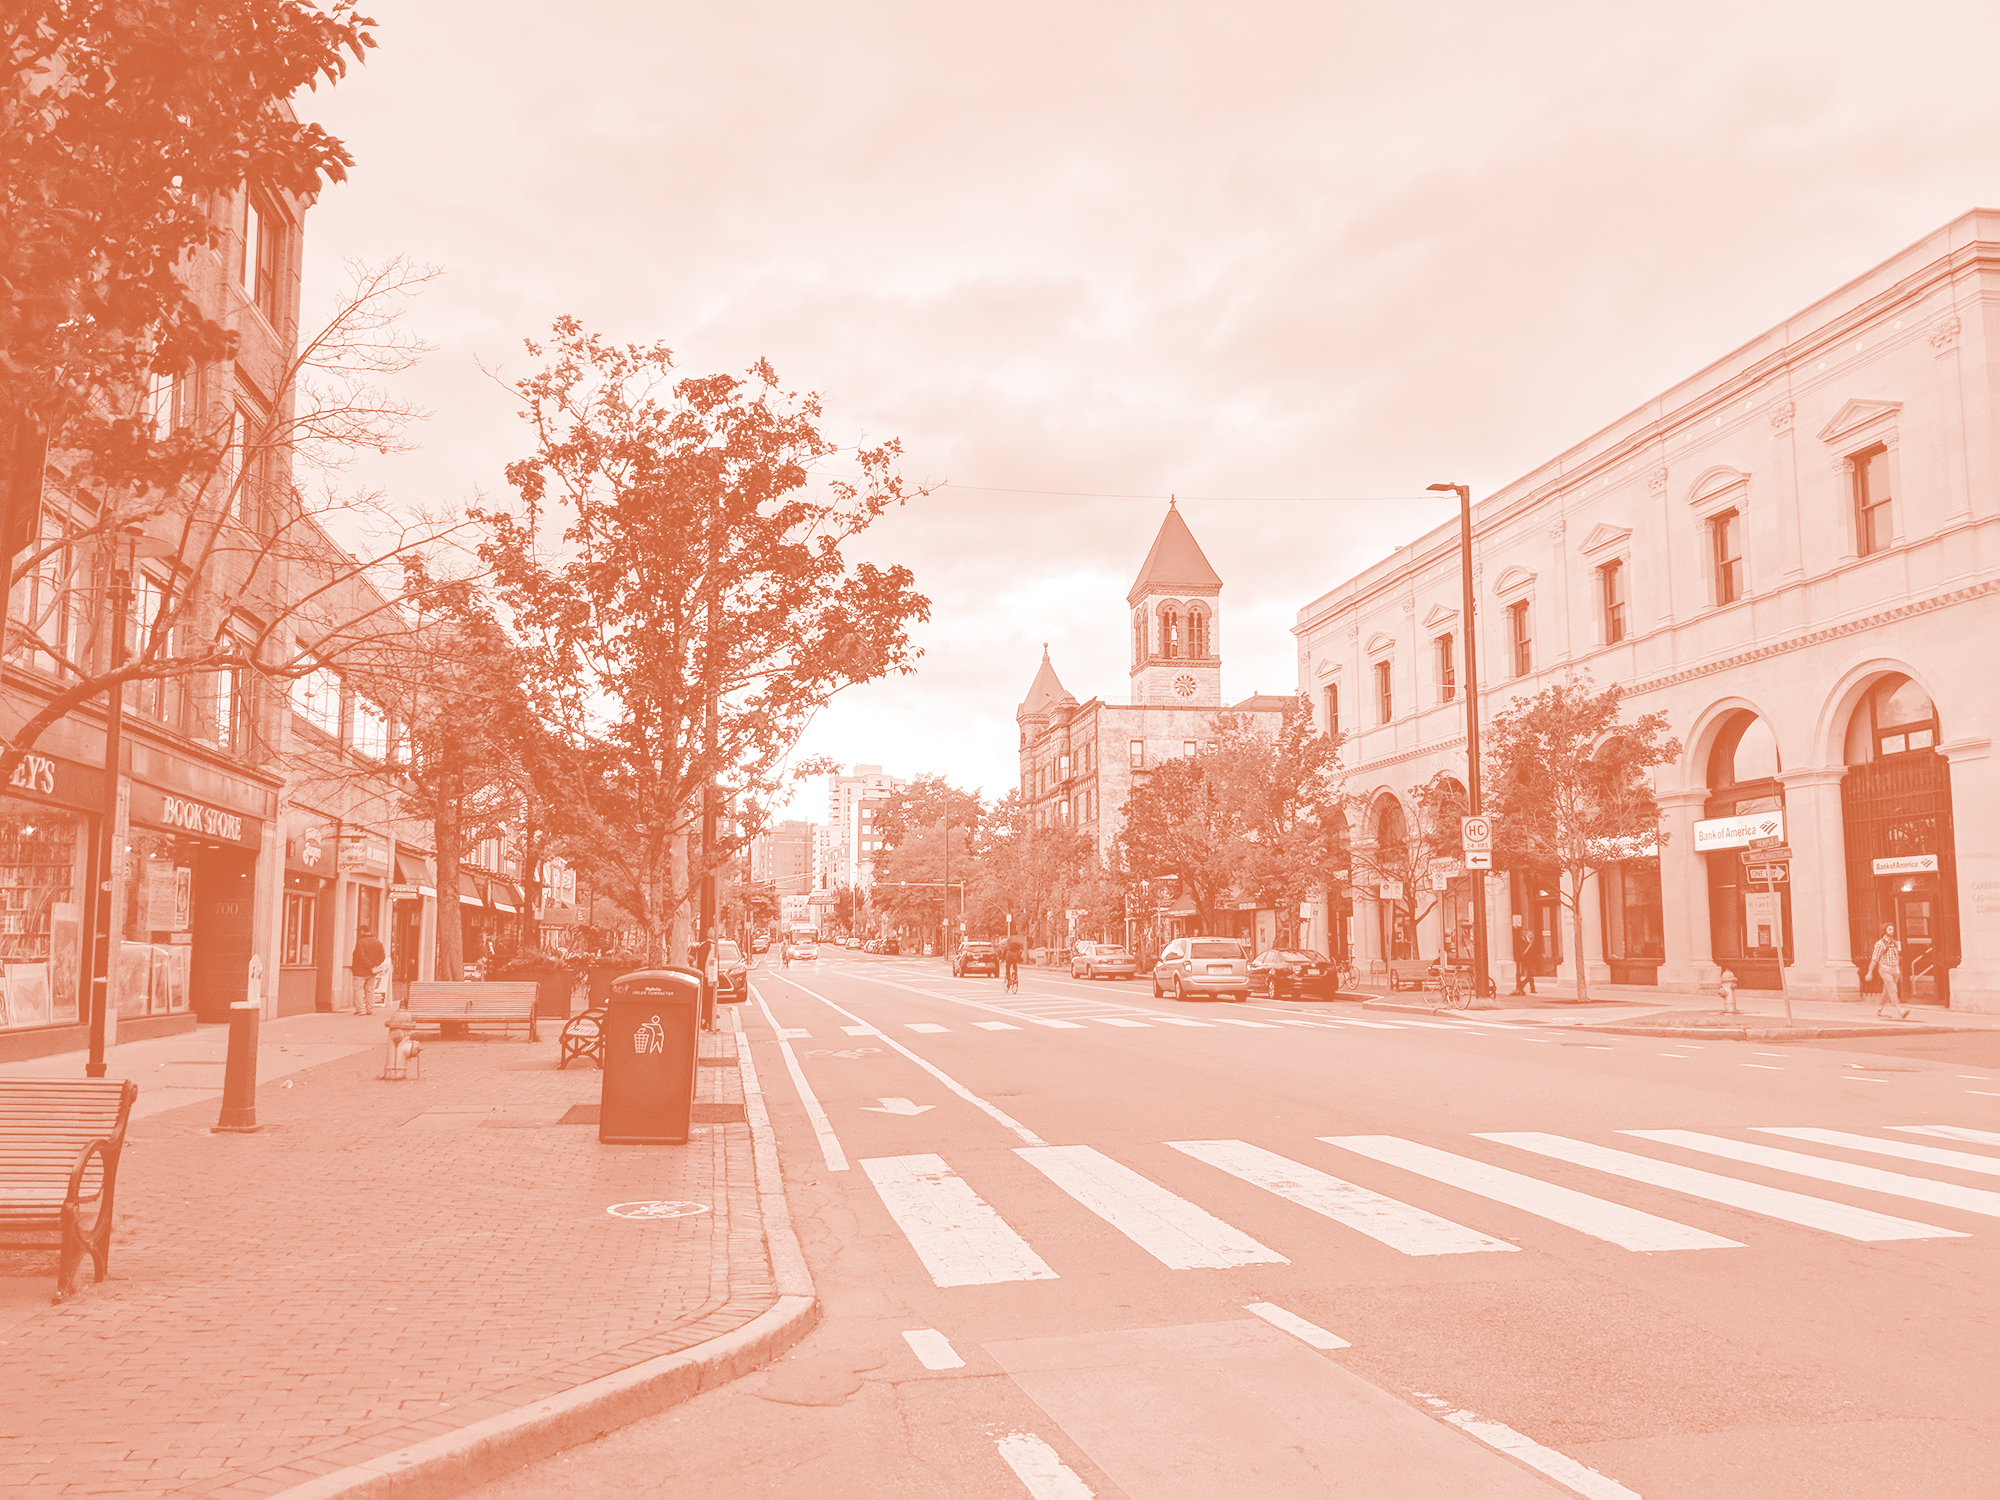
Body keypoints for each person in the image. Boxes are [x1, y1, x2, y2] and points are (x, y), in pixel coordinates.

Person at [1866, 923, 1911, 1020]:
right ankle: (1900, 1010)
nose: (1892, 931)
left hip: (1895, 969)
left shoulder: (1894, 943)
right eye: (1890, 929)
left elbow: (1897, 955)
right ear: (1884, 931)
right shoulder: (1880, 944)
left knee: (1887, 990)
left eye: (1893, 929)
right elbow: (1875, 959)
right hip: (1885, 969)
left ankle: (1880, 1009)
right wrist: (1870, 972)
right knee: (1893, 988)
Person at [351, 926, 386, 1015]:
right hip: (372, 972)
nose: (358, 934)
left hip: (360, 971)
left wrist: (370, 965)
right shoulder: (377, 942)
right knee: (370, 990)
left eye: (359, 932)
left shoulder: (361, 942)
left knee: (358, 990)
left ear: (363, 932)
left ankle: (361, 1010)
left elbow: (361, 956)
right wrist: (375, 965)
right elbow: (382, 956)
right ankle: (371, 1010)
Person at [1513, 927, 1539, 996]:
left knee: (1530, 974)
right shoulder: (1523, 941)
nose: (1532, 936)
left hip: (1532, 960)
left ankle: (1523, 986)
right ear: (1527, 935)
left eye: (1532, 935)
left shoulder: (1534, 942)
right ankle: (1526, 987)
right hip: (1525, 960)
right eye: (1530, 935)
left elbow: (1536, 951)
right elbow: (1520, 950)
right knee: (1530, 974)